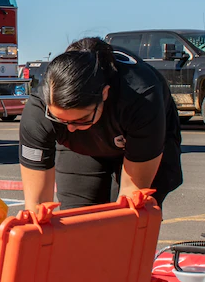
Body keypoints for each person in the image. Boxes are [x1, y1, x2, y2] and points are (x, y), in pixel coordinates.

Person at [17, 37, 184, 211]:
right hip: (83, 148)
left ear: (104, 94)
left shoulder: (142, 98)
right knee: (77, 220)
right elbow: (37, 206)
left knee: (131, 219)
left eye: (81, 119)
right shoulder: (38, 111)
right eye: (60, 120)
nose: (71, 128)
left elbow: (131, 195)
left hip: (137, 137)